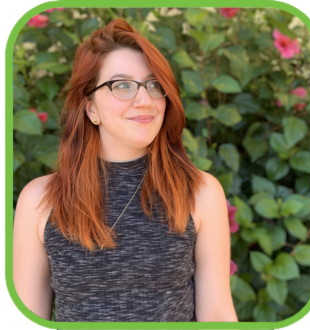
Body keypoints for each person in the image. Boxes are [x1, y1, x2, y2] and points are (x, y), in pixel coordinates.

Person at [13, 18, 238, 322]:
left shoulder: (200, 192)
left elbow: (218, 316)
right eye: (122, 85)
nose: (145, 100)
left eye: (154, 85)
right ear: (91, 108)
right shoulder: (40, 200)